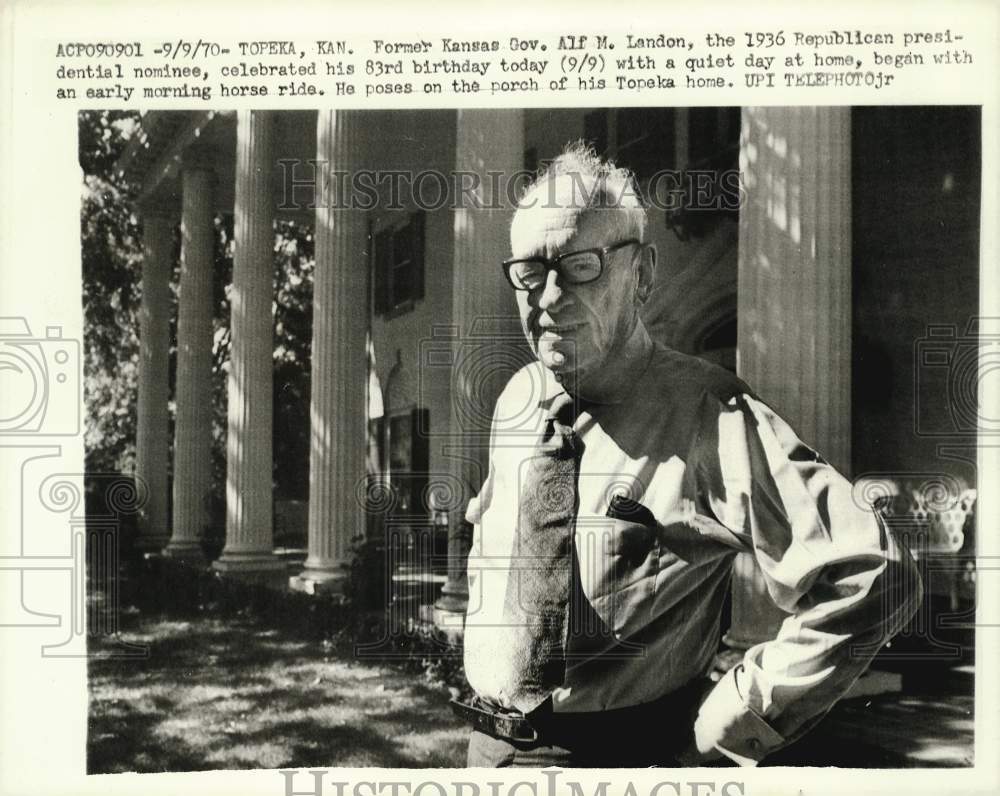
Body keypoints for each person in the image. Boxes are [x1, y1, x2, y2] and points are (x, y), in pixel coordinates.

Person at [452, 143, 922, 768]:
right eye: (530, 274)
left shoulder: (711, 414)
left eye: (581, 266)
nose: (550, 296)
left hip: (621, 758)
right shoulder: (518, 398)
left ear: (642, 274)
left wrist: (734, 720)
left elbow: (872, 574)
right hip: (487, 752)